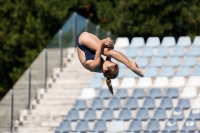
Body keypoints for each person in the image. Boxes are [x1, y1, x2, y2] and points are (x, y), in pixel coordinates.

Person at [77, 32, 143, 95]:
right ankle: (130, 64)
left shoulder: (96, 65)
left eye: (110, 62)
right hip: (87, 41)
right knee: (107, 51)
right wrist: (111, 44)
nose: (110, 60)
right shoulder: (104, 67)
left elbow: (101, 44)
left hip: (83, 40)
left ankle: (130, 65)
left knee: (105, 51)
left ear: (105, 69)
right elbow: (110, 52)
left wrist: (106, 41)